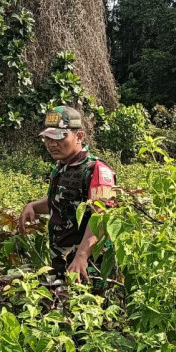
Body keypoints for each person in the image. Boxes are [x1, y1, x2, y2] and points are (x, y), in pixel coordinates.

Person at [17, 106, 116, 283]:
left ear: (79, 136)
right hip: (61, 259)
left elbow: (101, 217)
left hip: (88, 263)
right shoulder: (61, 168)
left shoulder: (96, 170)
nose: (52, 143)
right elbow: (59, 202)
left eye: (60, 137)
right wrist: (32, 206)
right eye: (48, 138)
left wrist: (82, 255)